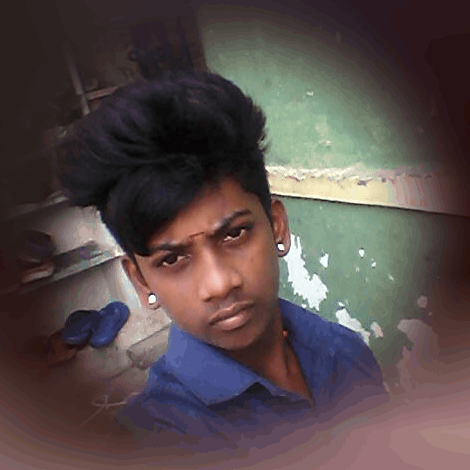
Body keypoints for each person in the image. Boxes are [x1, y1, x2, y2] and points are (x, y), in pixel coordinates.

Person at [58, 70, 389, 457]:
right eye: (172, 259)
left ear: (277, 226)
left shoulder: (345, 351)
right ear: (141, 281)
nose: (219, 283)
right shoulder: (156, 440)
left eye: (234, 234)